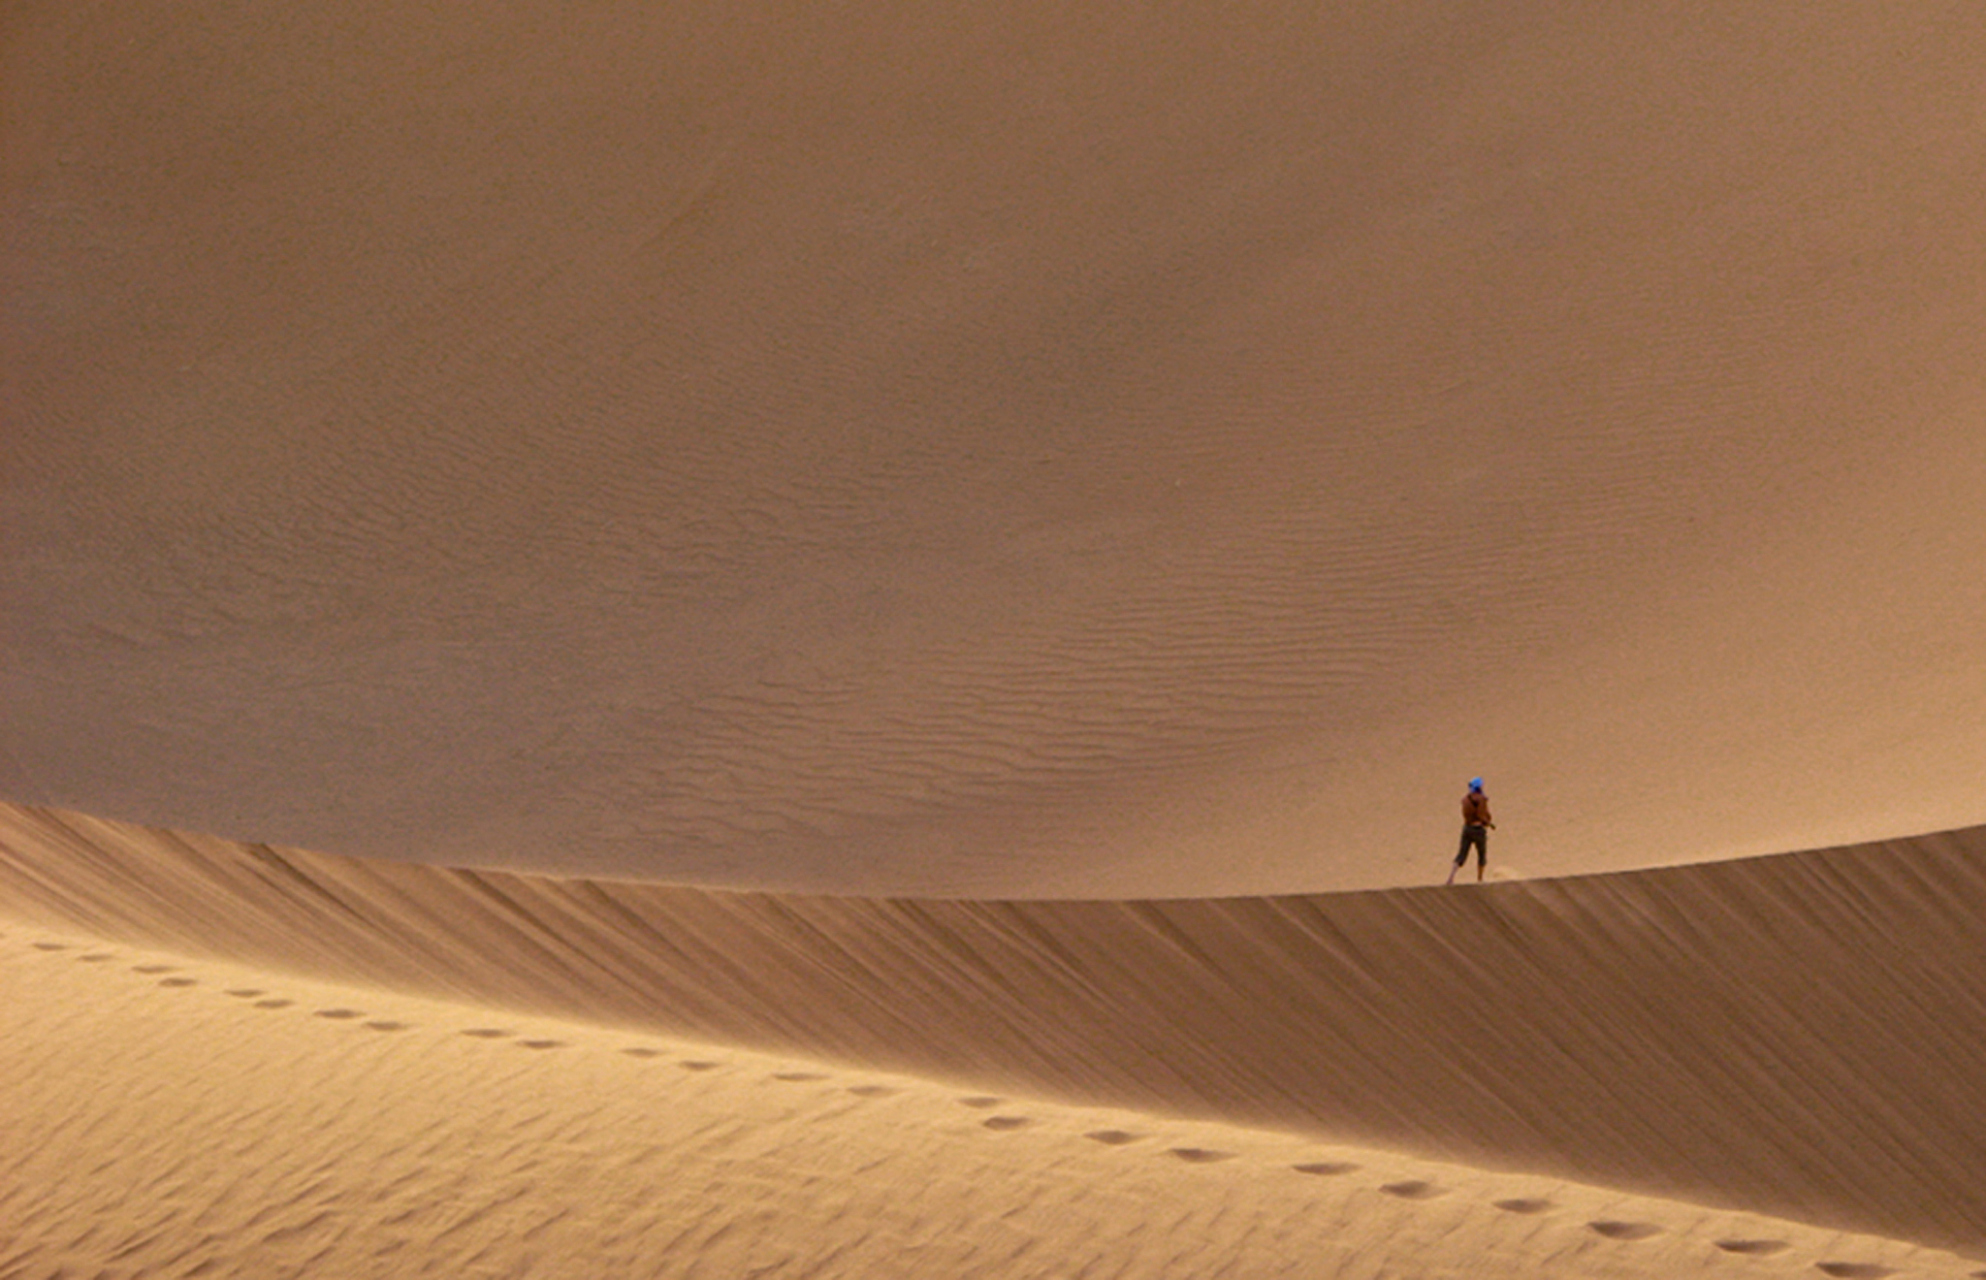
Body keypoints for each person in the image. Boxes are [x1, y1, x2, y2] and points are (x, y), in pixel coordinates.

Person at [1446, 777, 1494, 884]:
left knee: (1461, 854)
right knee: (1481, 854)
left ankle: (1451, 877)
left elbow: (1465, 814)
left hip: (1466, 828)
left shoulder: (1465, 799)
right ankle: (1480, 879)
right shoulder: (1481, 799)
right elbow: (1481, 814)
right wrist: (1488, 822)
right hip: (1478, 829)